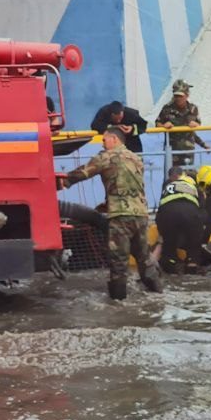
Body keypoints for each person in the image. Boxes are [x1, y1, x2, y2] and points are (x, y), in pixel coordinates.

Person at [58, 127, 163, 299]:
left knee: (118, 264)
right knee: (144, 259)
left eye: (105, 140)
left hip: (121, 218)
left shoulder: (107, 157)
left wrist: (61, 182)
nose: (103, 143)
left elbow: (83, 172)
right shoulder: (136, 158)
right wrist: (108, 204)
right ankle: (158, 294)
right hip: (141, 215)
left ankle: (118, 305)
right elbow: (128, 185)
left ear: (114, 139)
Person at [153, 166, 207, 274]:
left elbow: (162, 206)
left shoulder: (168, 184)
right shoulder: (194, 185)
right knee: (193, 246)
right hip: (190, 212)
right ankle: (192, 266)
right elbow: (202, 212)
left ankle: (170, 269)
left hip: (166, 215)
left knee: (169, 246)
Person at [155, 80, 210, 168]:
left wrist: (203, 144)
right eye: (176, 96)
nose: (178, 98)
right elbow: (157, 124)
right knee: (172, 175)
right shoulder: (167, 108)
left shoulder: (193, 109)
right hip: (172, 150)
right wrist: (163, 126)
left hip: (188, 150)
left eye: (180, 96)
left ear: (187, 95)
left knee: (188, 175)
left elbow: (194, 129)